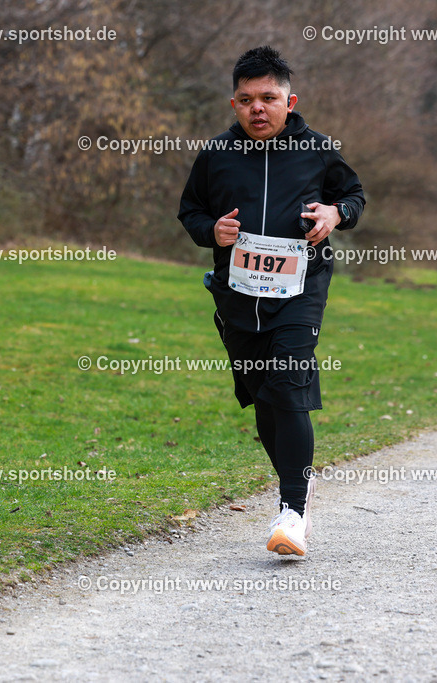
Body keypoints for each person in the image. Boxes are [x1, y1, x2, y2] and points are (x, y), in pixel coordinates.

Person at [178, 45, 364, 556]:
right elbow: (190, 212)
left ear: (289, 101)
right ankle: (297, 487)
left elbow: (353, 196)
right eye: (246, 100)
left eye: (268, 98)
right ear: (234, 104)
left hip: (300, 290)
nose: (257, 108)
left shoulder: (318, 150)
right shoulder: (216, 154)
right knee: (262, 396)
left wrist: (336, 214)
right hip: (237, 294)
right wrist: (211, 231)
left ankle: (293, 512)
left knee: (286, 382)